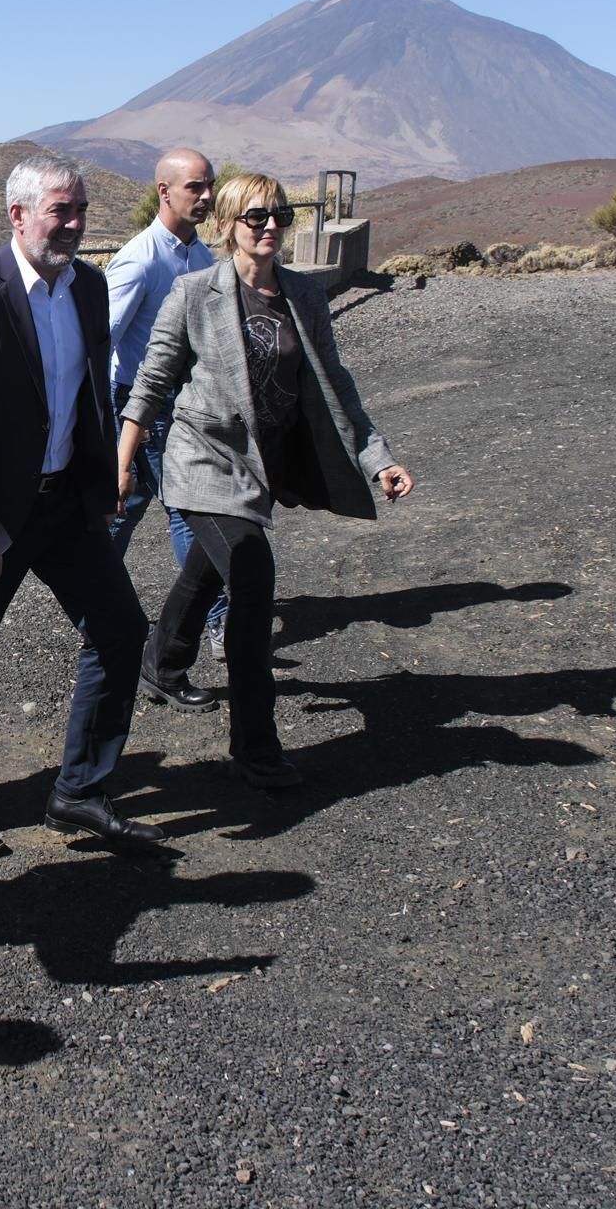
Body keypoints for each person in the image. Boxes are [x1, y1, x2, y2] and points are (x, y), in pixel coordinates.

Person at [117, 173, 415, 790]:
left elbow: (335, 382)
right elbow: (150, 384)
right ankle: (256, 745)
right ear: (228, 226)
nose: (272, 227)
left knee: (209, 563)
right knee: (251, 575)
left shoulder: (302, 295)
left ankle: (161, 660)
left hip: (261, 465)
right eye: (257, 218)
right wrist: (122, 461)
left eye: (279, 215)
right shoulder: (194, 292)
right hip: (202, 461)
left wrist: (377, 456)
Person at [0, 156, 159, 856]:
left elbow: (91, 393)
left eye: (80, 209)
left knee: (118, 630)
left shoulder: (86, 287)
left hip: (64, 505)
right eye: (61, 211)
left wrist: (106, 476)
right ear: (18, 216)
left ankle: (79, 790)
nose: (76, 224)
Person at [105, 148, 230, 683]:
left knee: (131, 510)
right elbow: (102, 337)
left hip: (183, 406)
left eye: (209, 187)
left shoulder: (198, 255)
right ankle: (217, 619)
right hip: (145, 405)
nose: (205, 197)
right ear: (165, 191)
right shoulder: (142, 258)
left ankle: (97, 603)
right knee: (182, 512)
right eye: (194, 188)